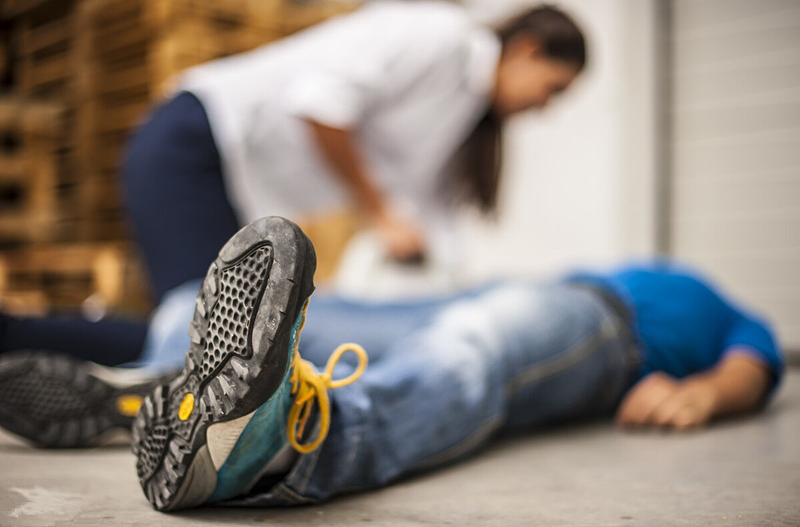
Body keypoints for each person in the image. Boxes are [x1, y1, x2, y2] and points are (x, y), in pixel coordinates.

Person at [0, 217, 783, 510]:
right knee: (183, 304)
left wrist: (706, 392)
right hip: (515, 291)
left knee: (474, 349)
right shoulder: (618, 263)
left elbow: (759, 359)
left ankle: (286, 441)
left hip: (599, 329)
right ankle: (167, 388)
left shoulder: (719, 307)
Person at [0, 0, 587, 366]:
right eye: (553, 88)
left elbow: (428, 221)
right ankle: (16, 337)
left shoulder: (462, 116)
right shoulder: (439, 36)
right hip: (196, 139)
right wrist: (378, 210)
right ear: (527, 49)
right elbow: (322, 105)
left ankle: (47, 345)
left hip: (232, 181)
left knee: (205, 340)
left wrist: (458, 303)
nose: (545, 107)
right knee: (204, 344)